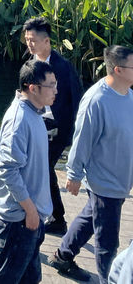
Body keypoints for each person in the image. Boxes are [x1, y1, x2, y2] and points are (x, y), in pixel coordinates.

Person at [49, 45, 133, 284]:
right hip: (104, 180)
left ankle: (63, 255)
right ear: (118, 70)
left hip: (121, 178)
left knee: (90, 217)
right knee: (108, 241)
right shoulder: (97, 100)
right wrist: (73, 174)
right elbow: (82, 139)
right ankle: (109, 279)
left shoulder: (129, 95)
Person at [0, 58, 56, 284]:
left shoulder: (35, 112)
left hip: (31, 217)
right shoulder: (19, 119)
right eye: (51, 85)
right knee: (0, 280)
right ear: (33, 88)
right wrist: (30, 211)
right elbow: (8, 170)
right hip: (19, 219)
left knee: (29, 279)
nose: (55, 91)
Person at [23, 17, 83, 235]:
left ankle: (56, 217)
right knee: (39, 169)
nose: (29, 44)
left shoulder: (62, 67)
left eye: (33, 40)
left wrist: (71, 133)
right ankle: (48, 214)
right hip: (34, 122)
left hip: (57, 129)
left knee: (45, 169)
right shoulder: (29, 63)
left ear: (46, 41)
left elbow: (75, 100)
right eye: (27, 40)